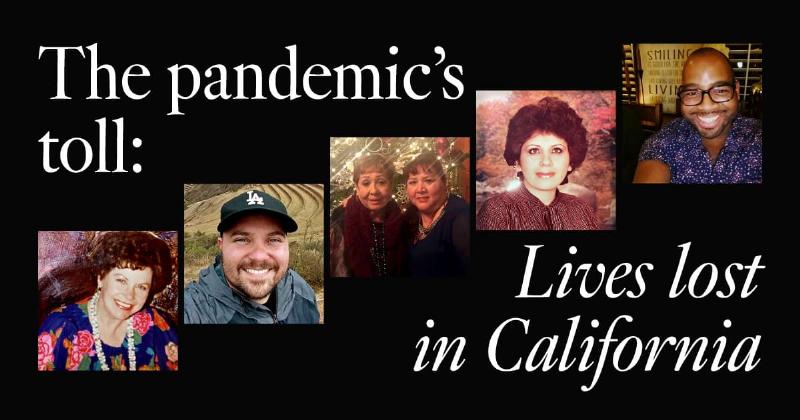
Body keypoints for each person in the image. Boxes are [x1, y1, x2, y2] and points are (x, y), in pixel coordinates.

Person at [37, 231, 178, 371]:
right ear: (101, 277)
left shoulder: (156, 325)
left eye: (141, 287)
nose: (129, 295)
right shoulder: (61, 327)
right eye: (121, 281)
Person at [184, 189, 319, 324]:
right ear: (221, 245)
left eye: (273, 240)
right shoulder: (195, 309)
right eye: (242, 240)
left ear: (287, 245)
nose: (259, 256)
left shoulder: (301, 290)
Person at [634, 47, 762, 184]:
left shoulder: (757, 138)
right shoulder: (664, 141)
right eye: (692, 93)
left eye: (720, 90)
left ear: (736, 90)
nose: (706, 107)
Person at [477, 97, 599, 230]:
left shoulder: (581, 210)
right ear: (518, 162)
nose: (546, 162)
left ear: (570, 161)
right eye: (534, 150)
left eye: (557, 150)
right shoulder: (497, 212)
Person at [330, 154, 407, 277]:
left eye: (381, 182)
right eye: (366, 183)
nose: (374, 190)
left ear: (391, 184)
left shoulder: (404, 223)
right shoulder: (339, 226)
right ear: (357, 187)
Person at [404, 152, 470, 276]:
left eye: (428, 180)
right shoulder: (410, 216)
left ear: (444, 183)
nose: (420, 189)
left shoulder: (462, 218)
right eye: (413, 182)